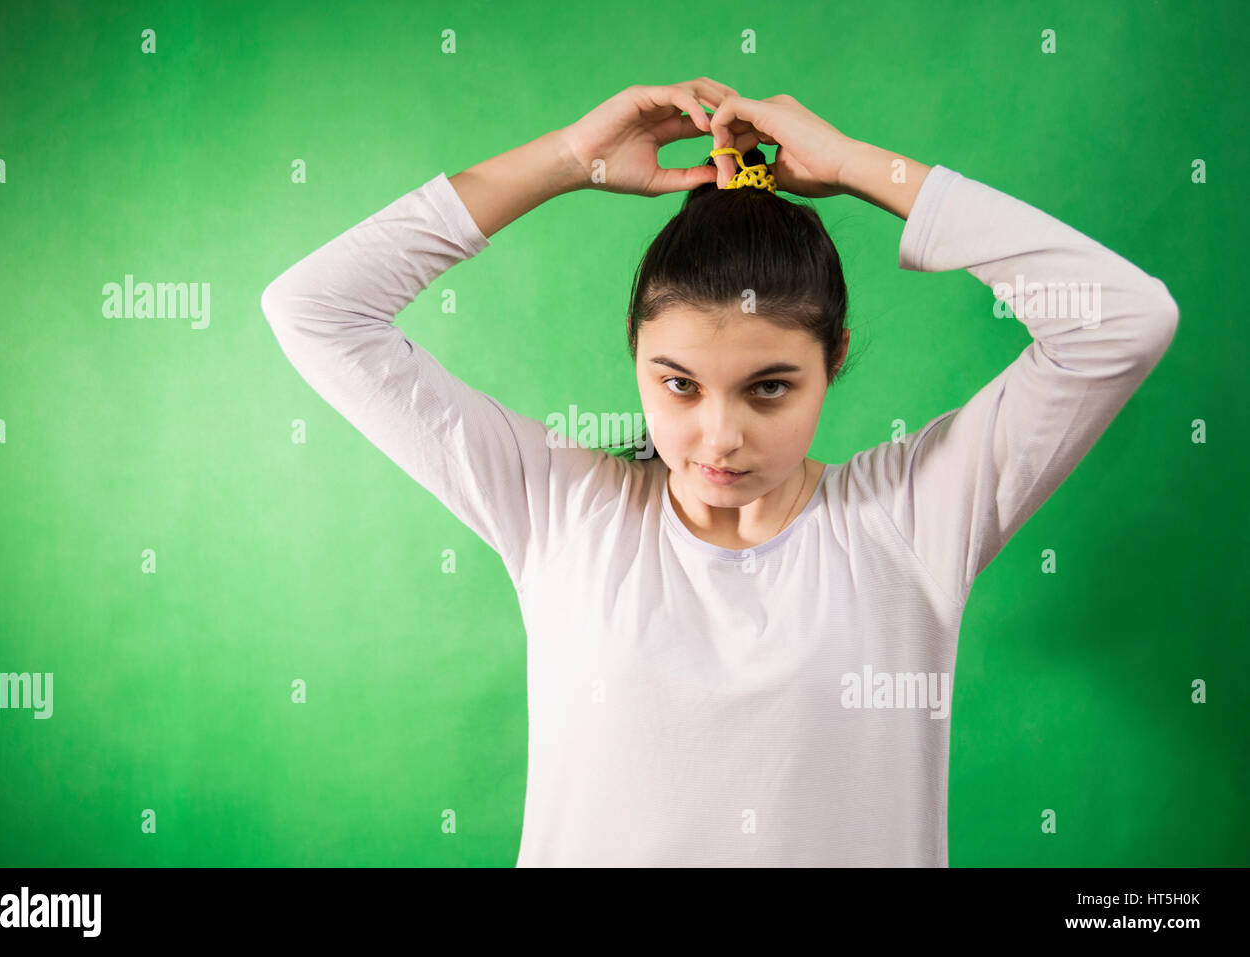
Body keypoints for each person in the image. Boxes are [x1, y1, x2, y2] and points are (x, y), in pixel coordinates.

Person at [260, 78, 1179, 866]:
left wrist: (862, 166)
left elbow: (1124, 320)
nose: (718, 436)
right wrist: (570, 157)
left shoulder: (912, 519)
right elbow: (315, 309)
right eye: (678, 384)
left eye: (769, 388)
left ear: (834, 360)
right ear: (637, 359)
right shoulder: (564, 508)